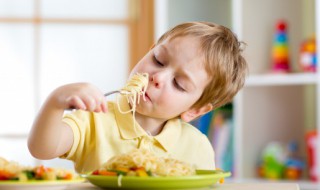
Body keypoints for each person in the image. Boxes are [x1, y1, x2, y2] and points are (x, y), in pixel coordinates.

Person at [28, 21, 247, 174]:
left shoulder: (197, 146)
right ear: (150, 50)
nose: (158, 77)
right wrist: (56, 101)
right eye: (159, 60)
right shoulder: (94, 119)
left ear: (195, 110)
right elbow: (42, 149)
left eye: (178, 84)